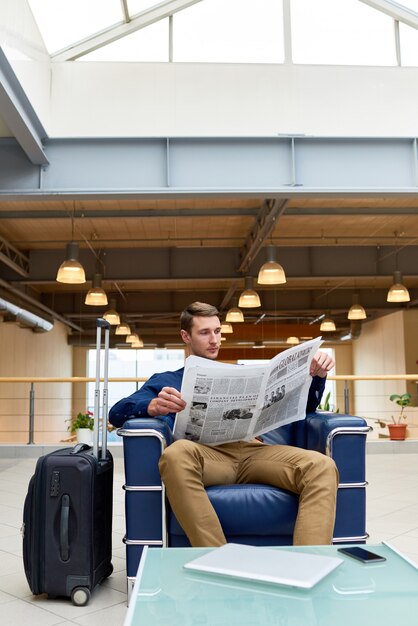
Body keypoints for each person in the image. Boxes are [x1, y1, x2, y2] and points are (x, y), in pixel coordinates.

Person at [109, 302, 338, 547]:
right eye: (205, 332)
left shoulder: (242, 375)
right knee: (175, 455)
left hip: (253, 452)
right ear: (186, 336)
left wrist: (318, 376)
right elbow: (116, 413)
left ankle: (310, 565)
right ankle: (217, 560)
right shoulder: (167, 380)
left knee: (322, 466)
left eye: (217, 332)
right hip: (207, 457)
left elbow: (305, 410)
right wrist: (152, 405)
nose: (214, 340)